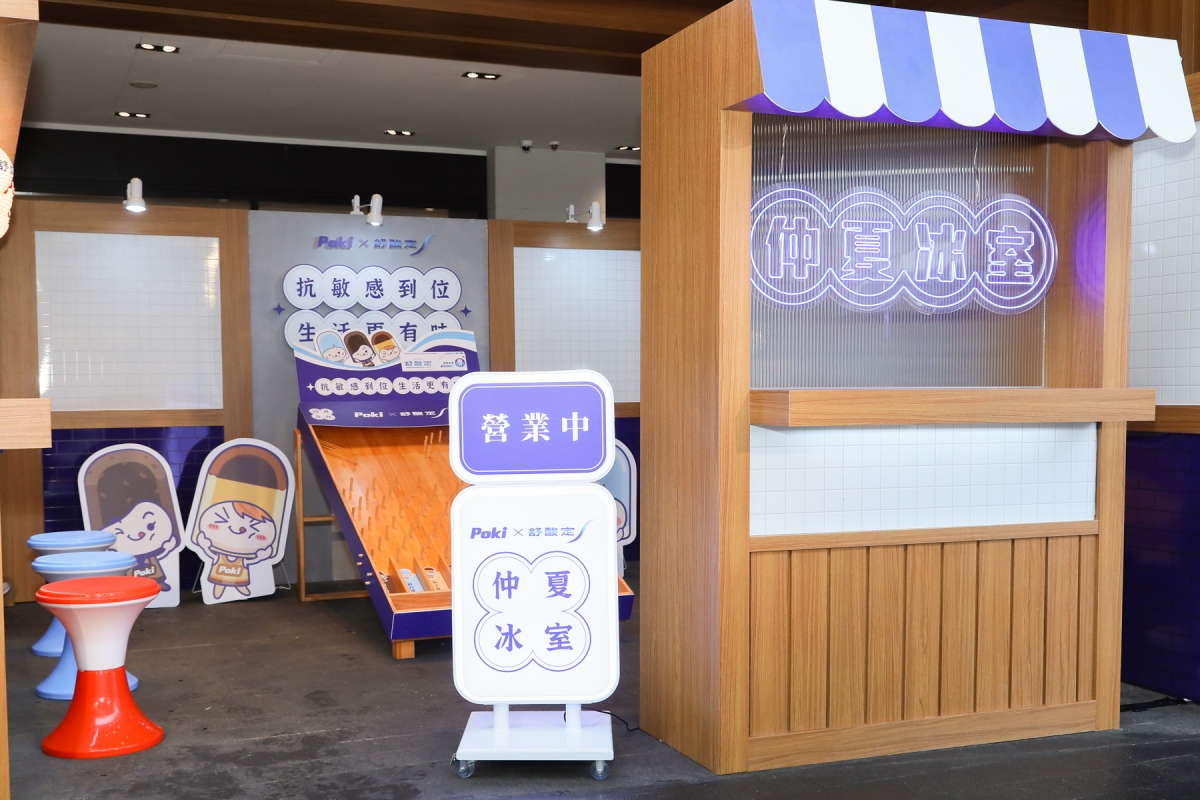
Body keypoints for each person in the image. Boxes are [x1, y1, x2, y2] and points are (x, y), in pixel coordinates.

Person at [96, 461, 180, 591]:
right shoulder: (115, 519)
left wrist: (166, 546)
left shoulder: (151, 546)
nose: (140, 533)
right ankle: (132, 587)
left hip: (148, 560)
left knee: (154, 571)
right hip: (131, 564)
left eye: (150, 526)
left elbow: (159, 549)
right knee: (132, 576)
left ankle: (158, 583)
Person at [194, 500, 279, 599]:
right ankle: (218, 593)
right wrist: (205, 545)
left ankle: (241, 588)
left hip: (240, 578)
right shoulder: (220, 554)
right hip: (218, 576)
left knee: (240, 584)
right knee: (219, 585)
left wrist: (261, 556)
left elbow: (250, 561)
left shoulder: (243, 556)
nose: (239, 529)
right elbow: (211, 555)